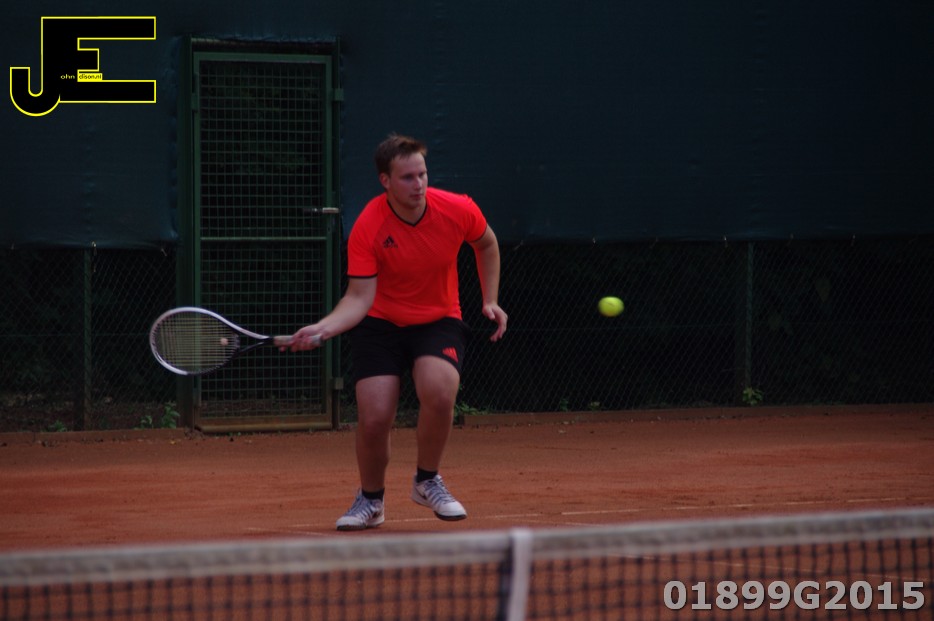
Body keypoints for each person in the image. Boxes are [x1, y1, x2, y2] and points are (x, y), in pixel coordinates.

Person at [287, 134, 507, 531]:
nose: (418, 184)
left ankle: (427, 480)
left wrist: (490, 299)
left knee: (440, 391)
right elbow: (359, 297)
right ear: (385, 181)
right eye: (407, 177)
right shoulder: (369, 225)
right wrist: (324, 327)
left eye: (422, 174)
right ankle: (371, 501)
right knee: (374, 419)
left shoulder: (457, 209)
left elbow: (487, 244)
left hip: (438, 319)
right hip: (380, 324)